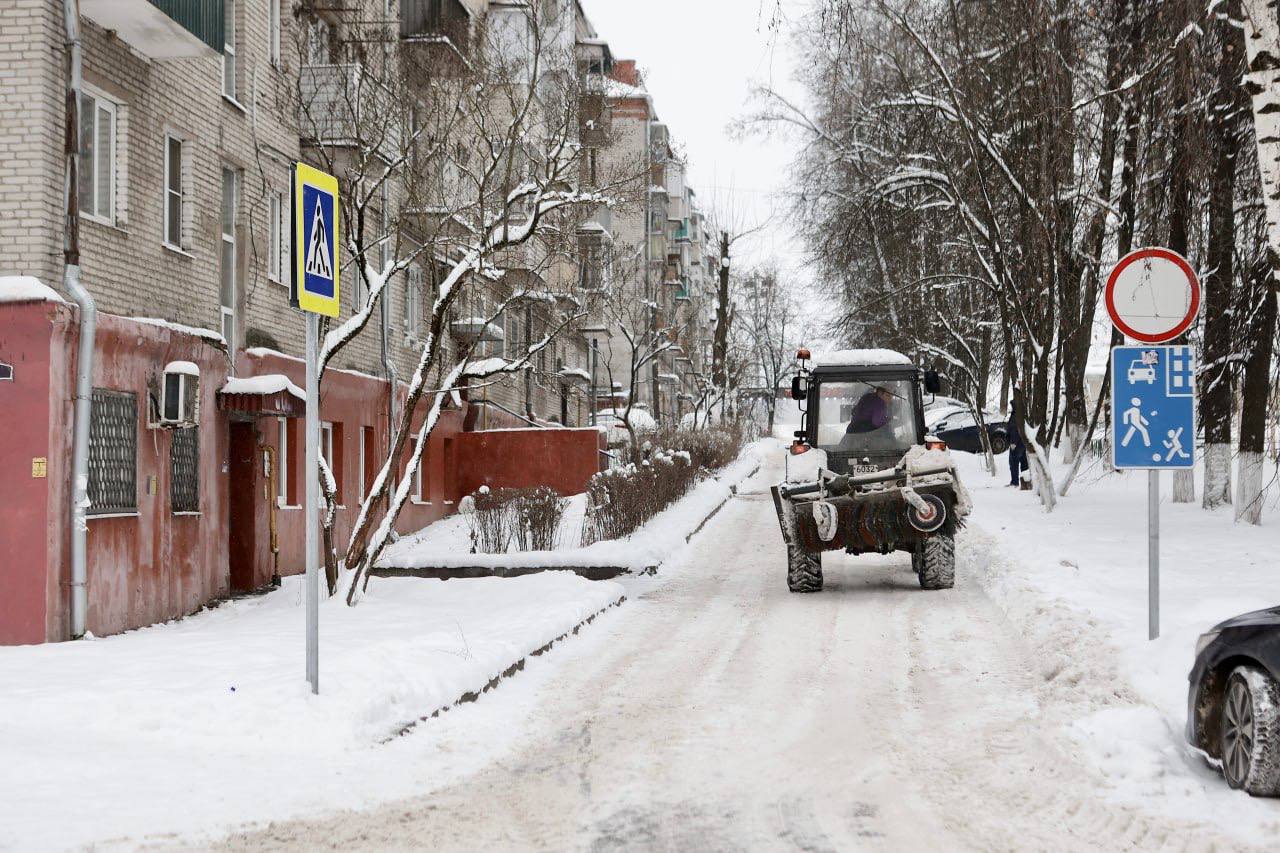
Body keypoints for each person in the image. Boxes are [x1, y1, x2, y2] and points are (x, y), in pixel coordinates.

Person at [1008, 387, 1029, 487]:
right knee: (1024, 461)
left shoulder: (1016, 414)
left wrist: (1013, 442)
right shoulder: (1023, 411)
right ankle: (1026, 480)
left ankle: (1015, 482)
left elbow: (1014, 428)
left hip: (1017, 442)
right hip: (1023, 441)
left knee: (1013, 461)